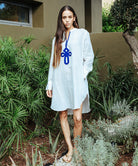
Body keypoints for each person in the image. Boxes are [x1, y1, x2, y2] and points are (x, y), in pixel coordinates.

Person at [46, 5, 94, 163]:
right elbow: (53, 63)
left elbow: (89, 57)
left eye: (69, 17)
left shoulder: (82, 34)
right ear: (61, 19)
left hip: (76, 81)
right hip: (60, 82)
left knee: (78, 118)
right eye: (64, 17)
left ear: (74, 18)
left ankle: (78, 149)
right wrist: (50, 84)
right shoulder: (57, 39)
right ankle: (71, 149)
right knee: (63, 115)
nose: (67, 20)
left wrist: (82, 75)